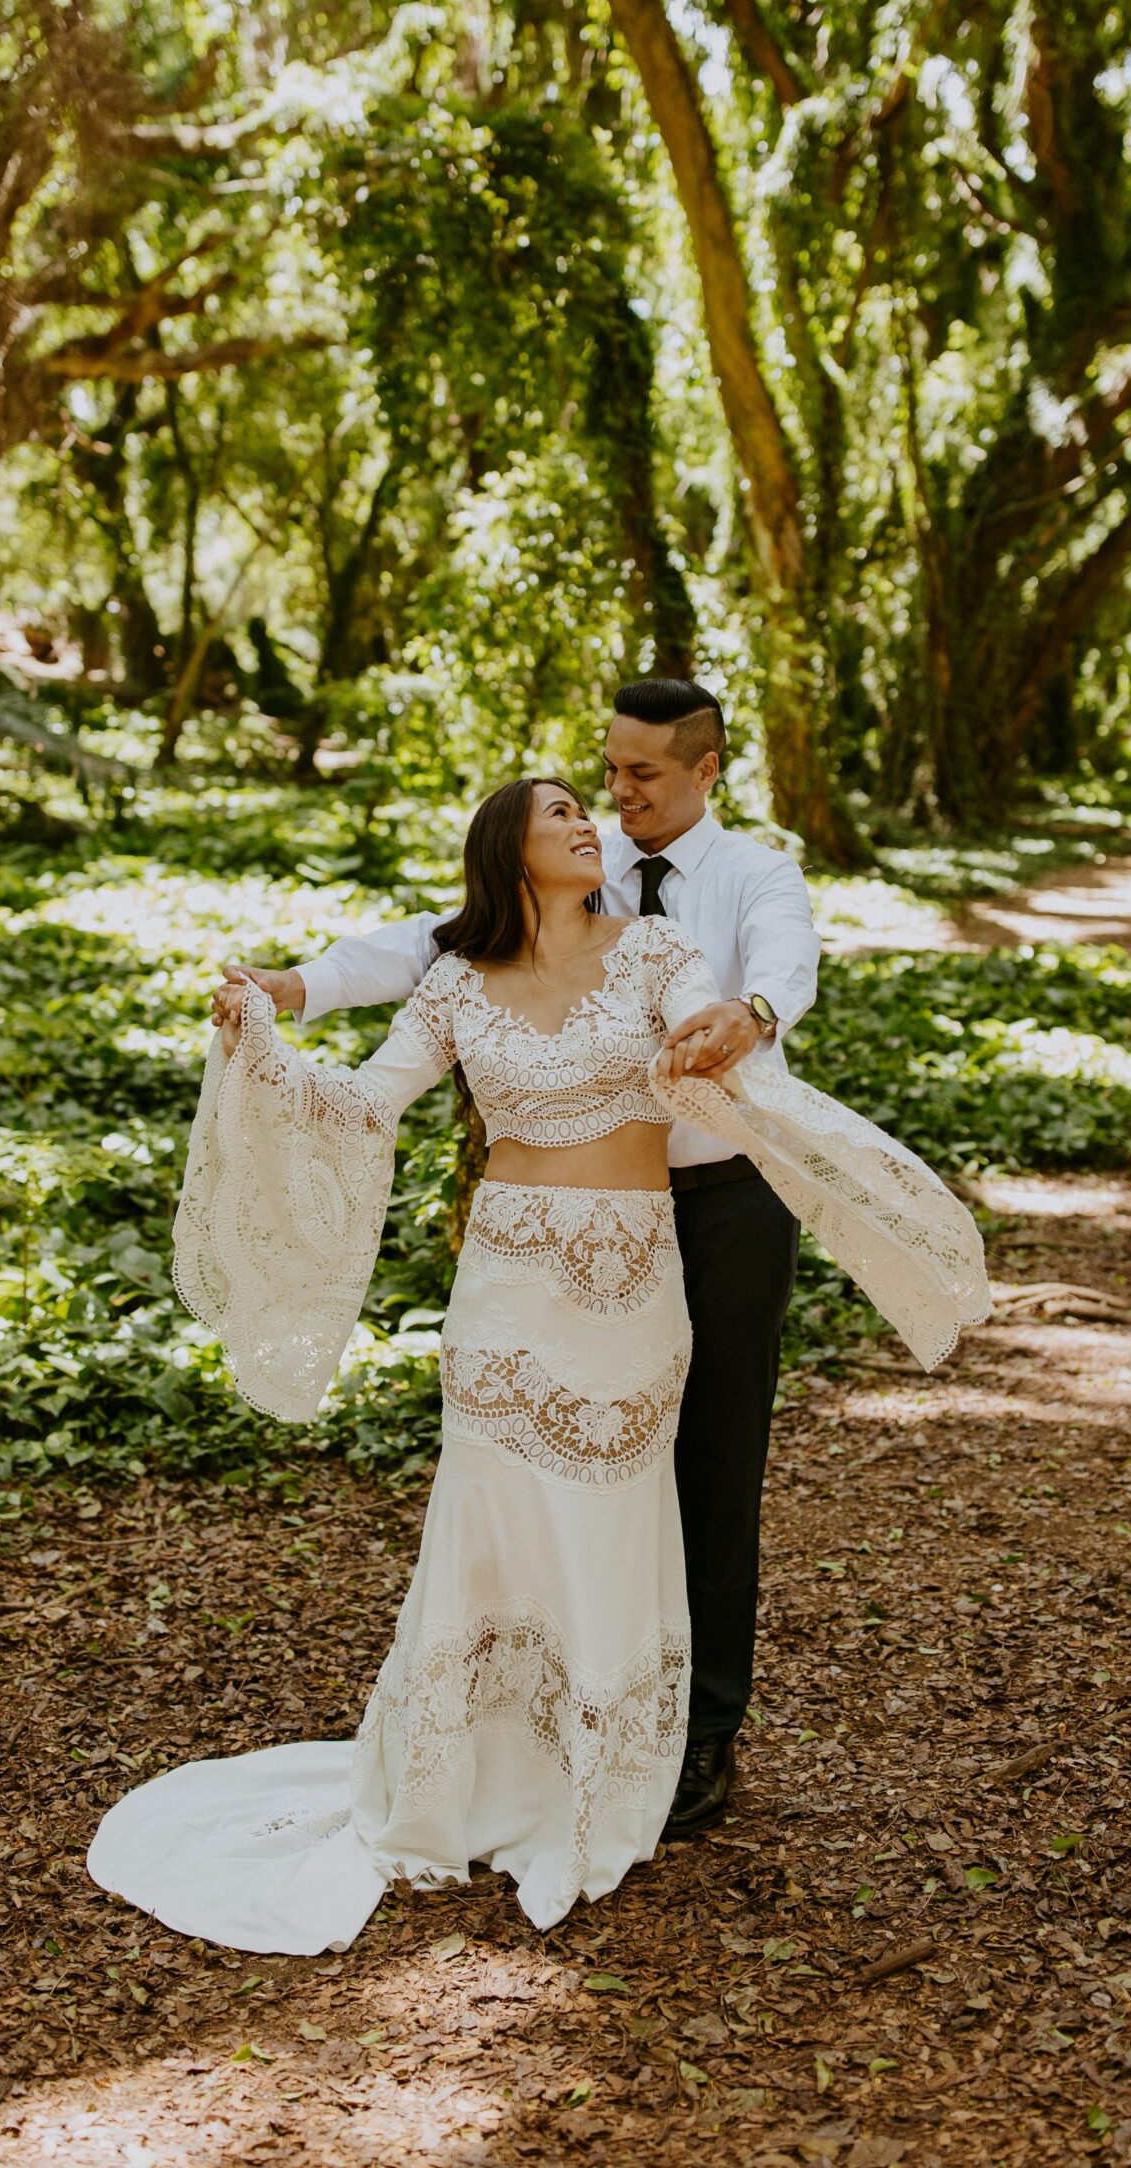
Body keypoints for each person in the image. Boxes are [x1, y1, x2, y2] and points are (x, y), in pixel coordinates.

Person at [87, 774, 989, 1958]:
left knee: (617, 1519)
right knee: (497, 1525)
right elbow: (364, 1104)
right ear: (509, 847)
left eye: (588, 809)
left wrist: (753, 1037)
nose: (586, 823)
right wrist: (262, 1047)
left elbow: (726, 1043)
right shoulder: (458, 983)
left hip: (633, 1285)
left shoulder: (662, 952)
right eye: (562, 811)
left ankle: (604, 1770)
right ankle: (470, 1778)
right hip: (508, 1288)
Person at [224, 679, 821, 1834]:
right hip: (535, 1251)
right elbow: (428, 947)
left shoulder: (746, 884)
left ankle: (696, 1733)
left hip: (725, 1202)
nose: (617, 793)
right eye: (606, 771)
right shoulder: (542, 907)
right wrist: (289, 995)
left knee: (713, 1463)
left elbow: (783, 963)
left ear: (705, 771)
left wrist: (755, 1014)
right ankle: (522, 1729)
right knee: (517, 1489)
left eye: (641, 773)